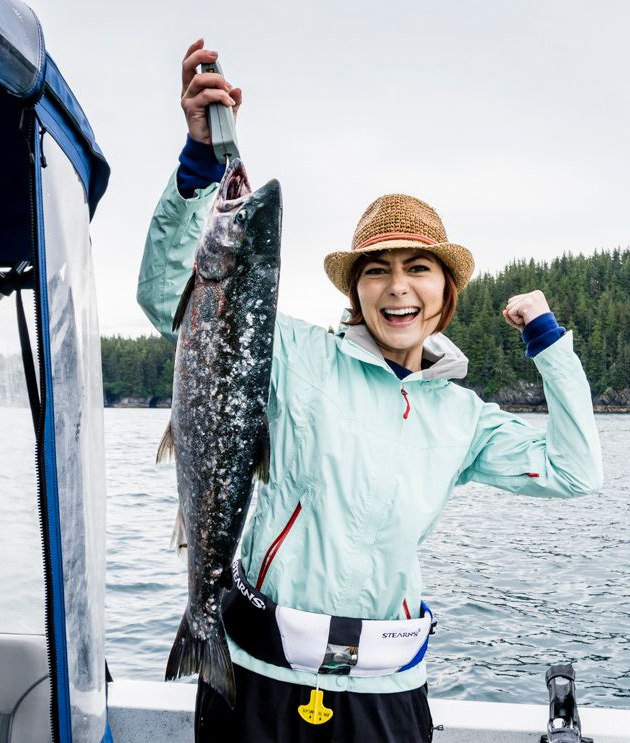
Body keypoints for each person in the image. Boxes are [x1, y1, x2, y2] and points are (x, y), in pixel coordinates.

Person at [138, 39, 604, 743]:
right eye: (376, 269)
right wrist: (198, 165)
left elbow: (575, 470)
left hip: (387, 695)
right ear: (355, 289)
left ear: (445, 291)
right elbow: (165, 297)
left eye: (418, 267)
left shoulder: (463, 417)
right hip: (260, 676)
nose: (397, 287)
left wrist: (549, 343)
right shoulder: (295, 353)